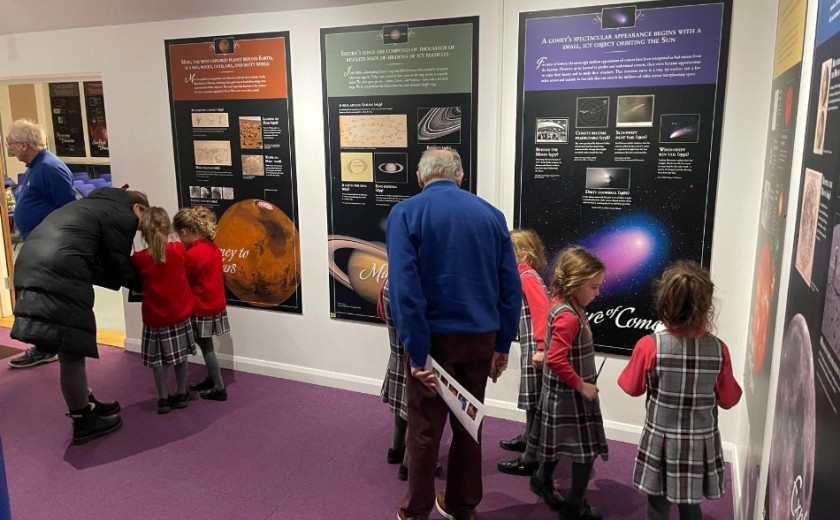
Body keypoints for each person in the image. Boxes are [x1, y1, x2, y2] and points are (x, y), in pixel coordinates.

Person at [386, 147, 521, 520]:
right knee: (469, 422)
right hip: (480, 339)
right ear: (460, 177)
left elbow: (404, 289)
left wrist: (416, 352)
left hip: (433, 342)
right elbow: (510, 286)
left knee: (425, 429)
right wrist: (502, 344)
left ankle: (416, 511)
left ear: (419, 177)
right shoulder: (491, 216)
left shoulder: (407, 212)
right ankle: (463, 506)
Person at [10, 187, 149, 444]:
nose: (138, 229)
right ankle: (83, 419)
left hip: (32, 265)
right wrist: (150, 283)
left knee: (68, 345)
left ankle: (85, 401)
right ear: (138, 209)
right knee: (72, 349)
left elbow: (97, 264)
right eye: (141, 224)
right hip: (58, 272)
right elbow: (118, 263)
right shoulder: (122, 214)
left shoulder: (90, 207)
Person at [618, 261, 742, 520]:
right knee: (690, 503)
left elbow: (631, 387)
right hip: (700, 442)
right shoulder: (720, 349)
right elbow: (729, 400)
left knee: (657, 504)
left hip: (661, 441)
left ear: (664, 302)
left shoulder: (649, 345)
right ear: (707, 306)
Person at [528, 246, 608, 520]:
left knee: (555, 443)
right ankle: (574, 505)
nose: (598, 293)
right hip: (569, 394)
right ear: (575, 284)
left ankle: (541, 479)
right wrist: (582, 385)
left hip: (561, 393)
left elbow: (553, 352)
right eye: (594, 287)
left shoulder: (566, 305)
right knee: (584, 452)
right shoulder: (567, 316)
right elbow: (557, 359)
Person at [5, 119, 78, 369]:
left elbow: (70, 209)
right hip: (39, 246)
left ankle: (48, 347)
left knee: (45, 301)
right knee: (39, 300)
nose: (10, 149)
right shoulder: (35, 167)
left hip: (50, 249)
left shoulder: (48, 167)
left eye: (11, 144)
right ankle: (47, 346)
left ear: (24, 144)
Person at [131, 207, 196, 415]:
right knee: (181, 356)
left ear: (144, 232)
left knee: (158, 361)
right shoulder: (178, 249)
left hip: (155, 318)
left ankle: (162, 398)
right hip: (179, 314)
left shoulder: (140, 258)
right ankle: (181, 392)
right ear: (168, 227)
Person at [498, 229, 550, 472]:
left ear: (523, 253)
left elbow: (542, 312)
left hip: (536, 345)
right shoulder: (521, 276)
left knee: (536, 397)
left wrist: (541, 347)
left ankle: (531, 455)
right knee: (531, 395)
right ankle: (528, 437)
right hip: (530, 342)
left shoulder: (528, 276)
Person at [173, 206, 230, 401]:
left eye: (180, 236)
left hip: (201, 307)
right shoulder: (211, 247)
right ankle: (212, 379)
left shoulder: (193, 254)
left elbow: (183, 279)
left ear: (185, 231)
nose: (180, 240)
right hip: (215, 304)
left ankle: (219, 388)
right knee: (207, 345)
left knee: (206, 347)